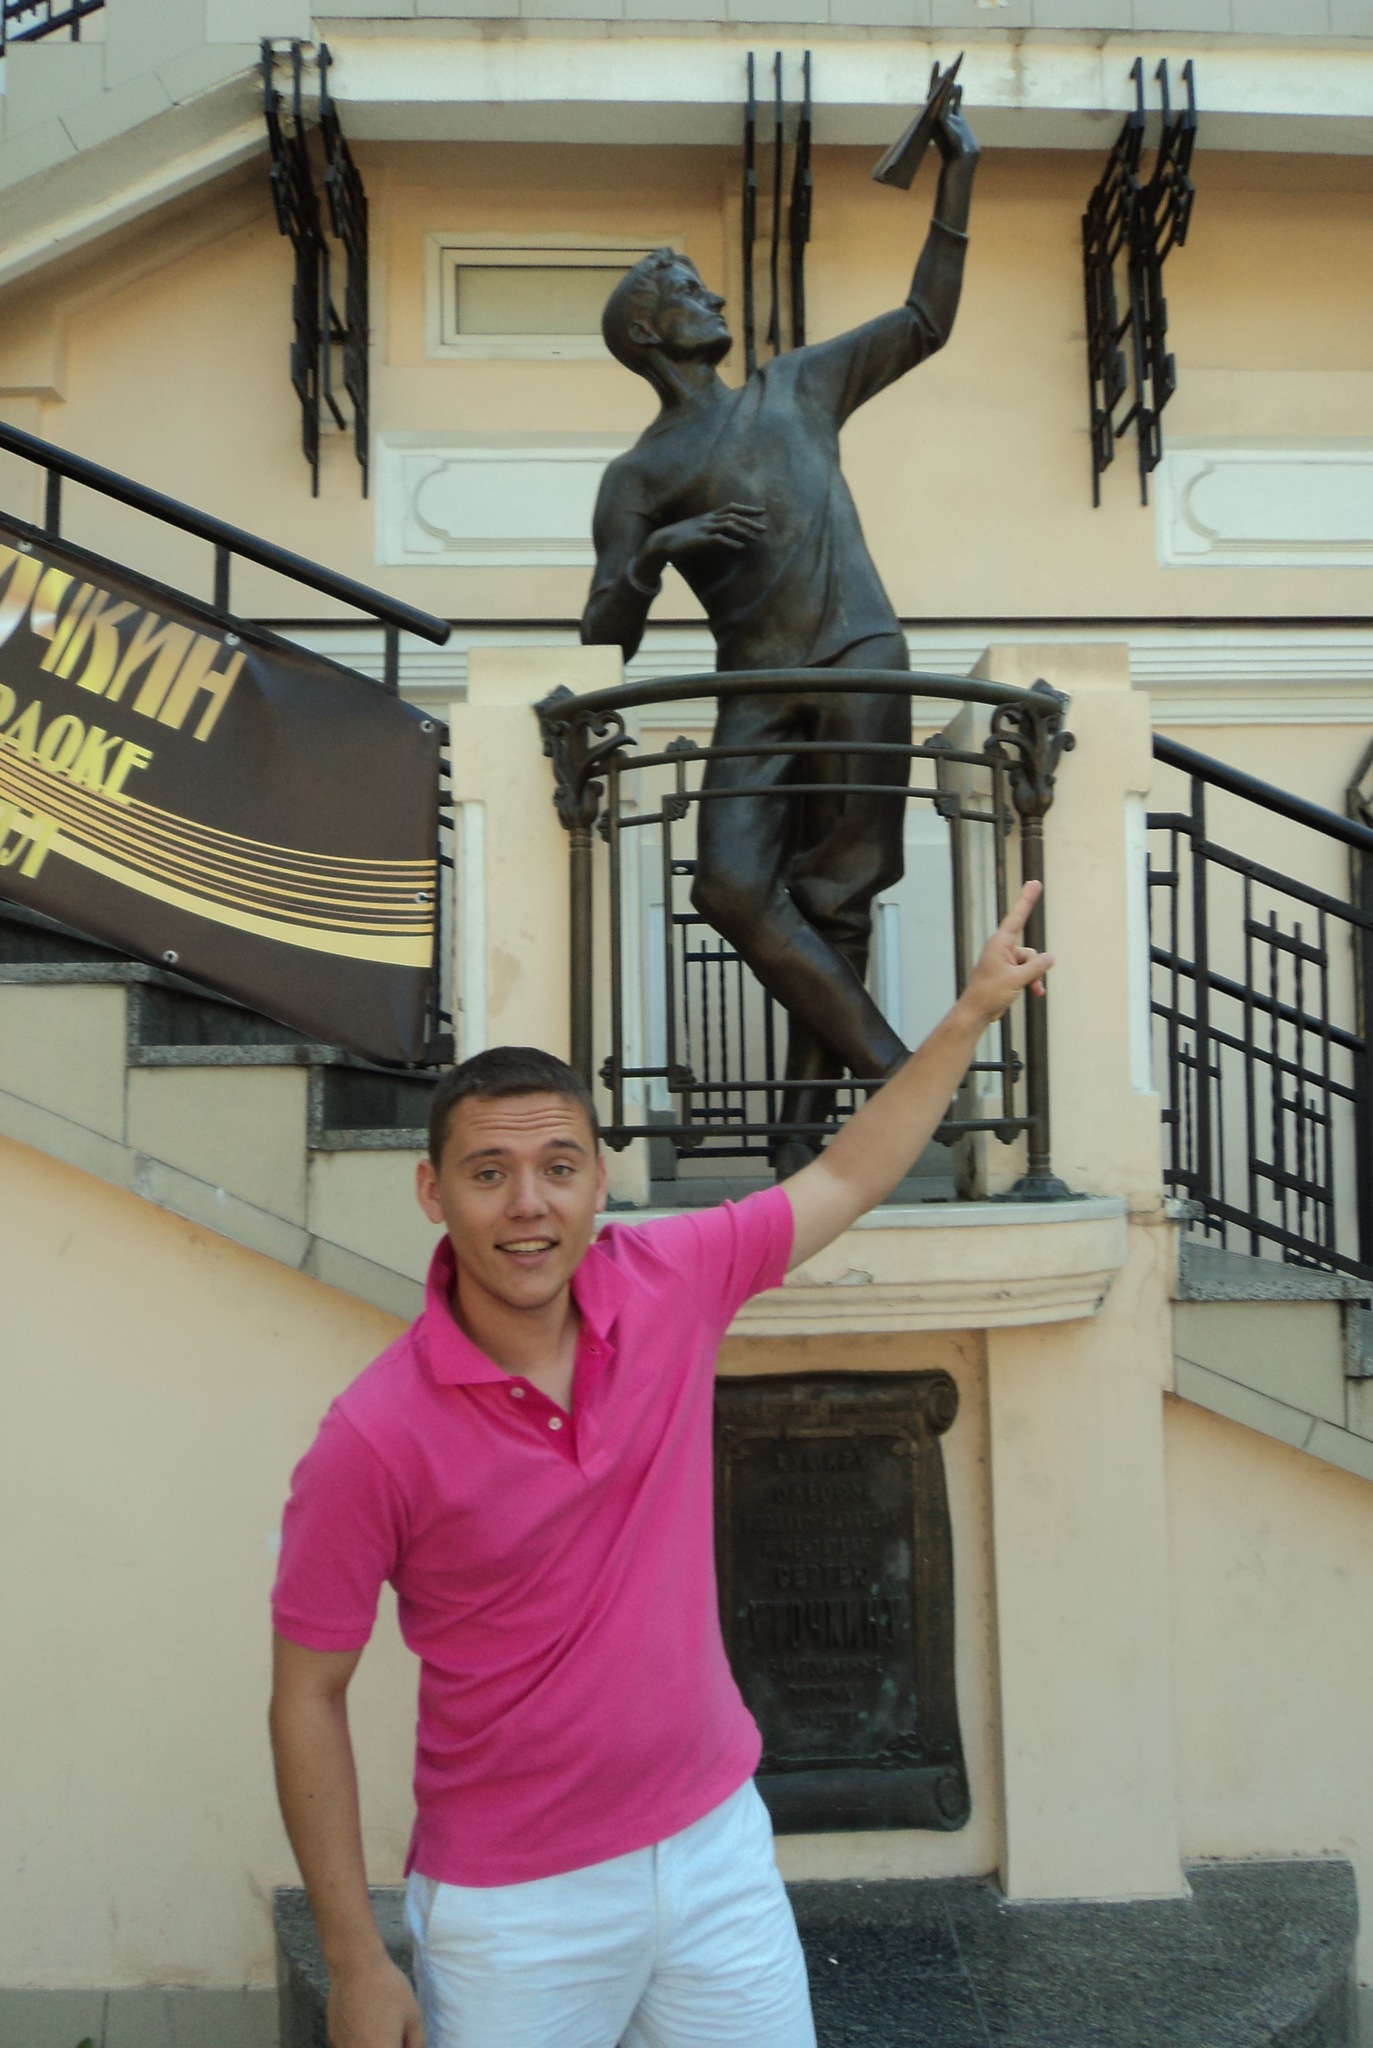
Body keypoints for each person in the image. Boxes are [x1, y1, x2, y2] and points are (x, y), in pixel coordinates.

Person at [268, 881, 1051, 2048]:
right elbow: (307, 1694)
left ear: (598, 1179)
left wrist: (970, 1013)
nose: (527, 1204)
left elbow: (846, 1174)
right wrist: (354, 1959)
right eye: (488, 1171)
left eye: (558, 1165)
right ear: (434, 1191)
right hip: (514, 1904)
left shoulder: (671, 1281)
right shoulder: (372, 1433)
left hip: (714, 1850)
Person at [580, 95, 978, 1176]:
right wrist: (658, 551)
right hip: (753, 687)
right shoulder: (638, 476)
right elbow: (604, 632)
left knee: (838, 894)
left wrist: (959, 176)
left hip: (860, 658)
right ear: (646, 335)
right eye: (686, 291)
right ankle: (903, 1077)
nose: (713, 297)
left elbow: (924, 320)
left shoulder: (797, 387)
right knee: (730, 887)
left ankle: (800, 1138)